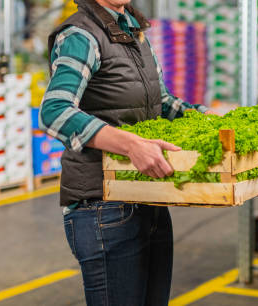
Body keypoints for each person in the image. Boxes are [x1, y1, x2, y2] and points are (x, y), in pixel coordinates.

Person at [40, 0, 210, 304]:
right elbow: (55, 111)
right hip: (103, 207)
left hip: (148, 196)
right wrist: (131, 145)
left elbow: (164, 103)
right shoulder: (80, 35)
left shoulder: (133, 31)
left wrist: (208, 120)